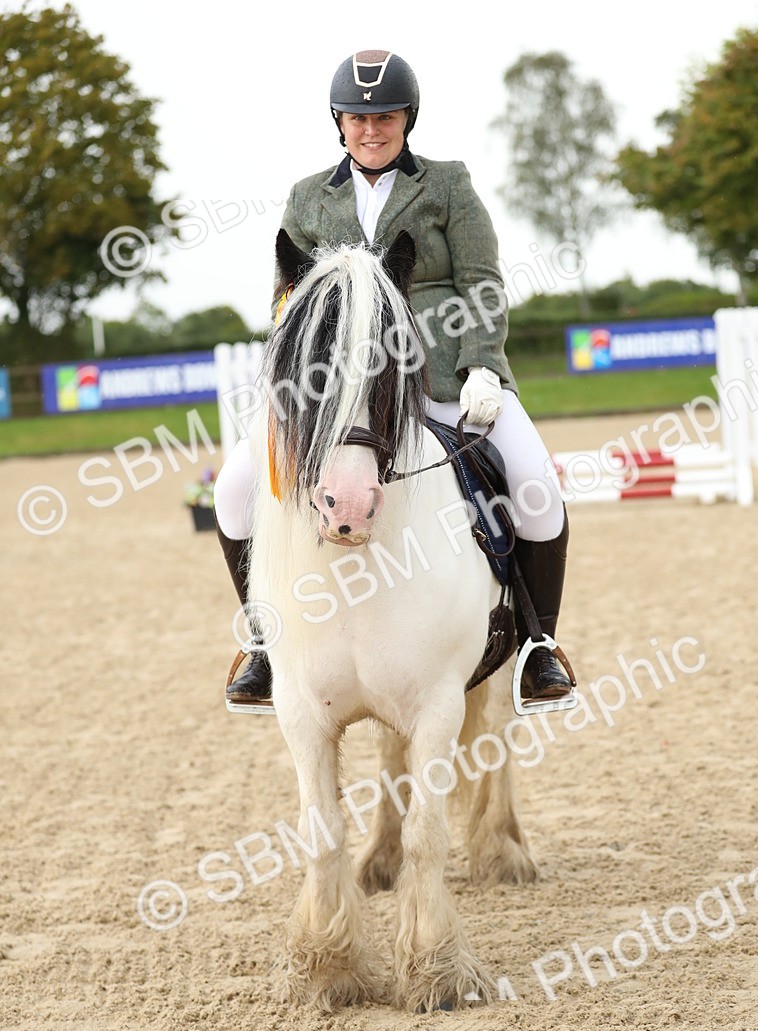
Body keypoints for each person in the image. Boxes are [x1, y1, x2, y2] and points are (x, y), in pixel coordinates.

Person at [214, 49, 571, 710]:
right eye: (357, 117)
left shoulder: (447, 185)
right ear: (339, 123)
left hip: (442, 379)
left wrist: (483, 367)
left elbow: (483, 284)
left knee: (536, 486)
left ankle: (538, 647)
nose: (371, 129)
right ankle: (264, 645)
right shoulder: (306, 197)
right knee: (234, 492)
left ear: (407, 119)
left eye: (385, 116)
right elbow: (285, 302)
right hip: (332, 394)